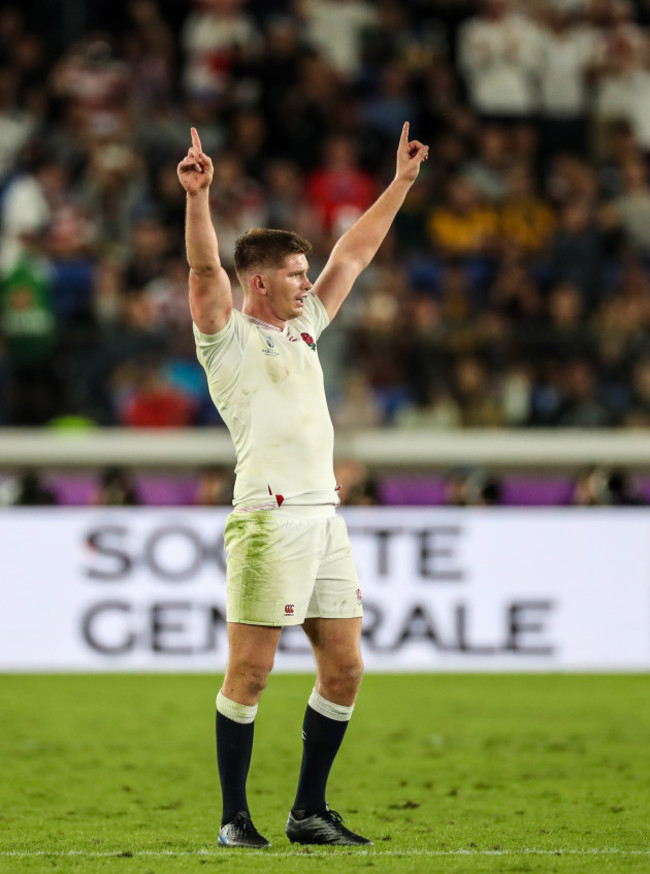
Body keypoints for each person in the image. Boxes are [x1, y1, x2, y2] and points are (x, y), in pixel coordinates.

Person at [177, 123, 428, 849]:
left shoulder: (308, 324)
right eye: (294, 272)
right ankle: (234, 818)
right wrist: (200, 198)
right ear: (258, 280)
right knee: (249, 676)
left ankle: (308, 812)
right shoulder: (227, 339)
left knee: (345, 670)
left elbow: (355, 251)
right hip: (267, 519)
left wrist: (401, 183)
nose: (306, 282)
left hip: (325, 519)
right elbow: (202, 273)